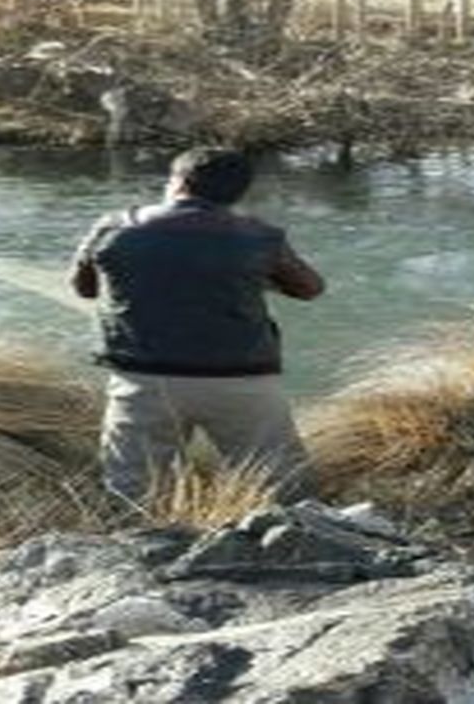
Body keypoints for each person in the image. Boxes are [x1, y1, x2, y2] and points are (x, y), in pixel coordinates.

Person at [70, 147, 325, 505]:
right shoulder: (260, 237)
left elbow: (83, 288)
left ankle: (136, 553)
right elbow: (311, 289)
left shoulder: (114, 226)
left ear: (180, 182)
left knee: (132, 491)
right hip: (242, 379)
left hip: (143, 379)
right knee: (281, 485)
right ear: (238, 192)